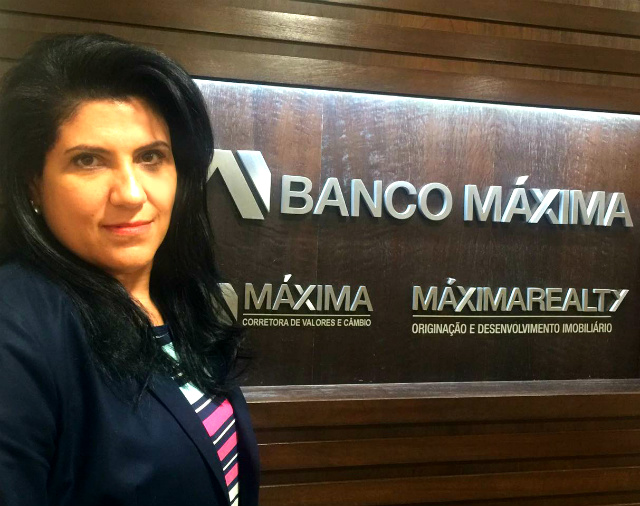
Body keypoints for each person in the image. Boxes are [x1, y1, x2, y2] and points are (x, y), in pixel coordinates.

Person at [0, 33, 259, 506]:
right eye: (89, 160)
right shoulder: (15, 324)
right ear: (34, 184)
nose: (131, 194)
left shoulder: (177, 301)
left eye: (150, 157)